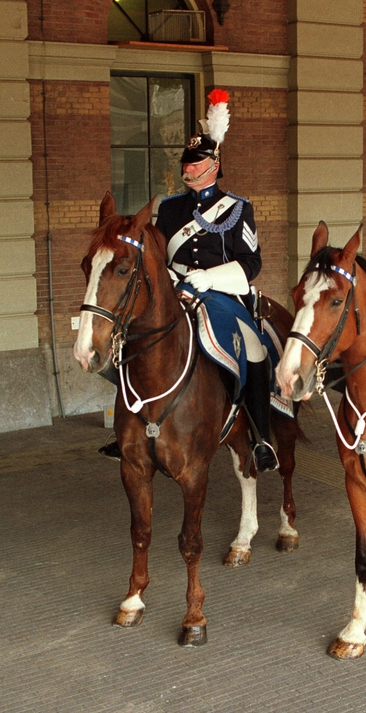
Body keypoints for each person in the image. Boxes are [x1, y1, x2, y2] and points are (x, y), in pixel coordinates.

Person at [101, 89, 279, 473]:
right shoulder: (170, 207)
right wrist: (170, 280)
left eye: (196, 163)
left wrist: (208, 278)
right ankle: (127, 428)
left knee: (255, 348)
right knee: (131, 339)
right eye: (186, 163)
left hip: (221, 295)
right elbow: (159, 255)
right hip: (177, 291)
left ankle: (261, 436)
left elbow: (251, 263)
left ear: (213, 166)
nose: (188, 169)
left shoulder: (238, 207)